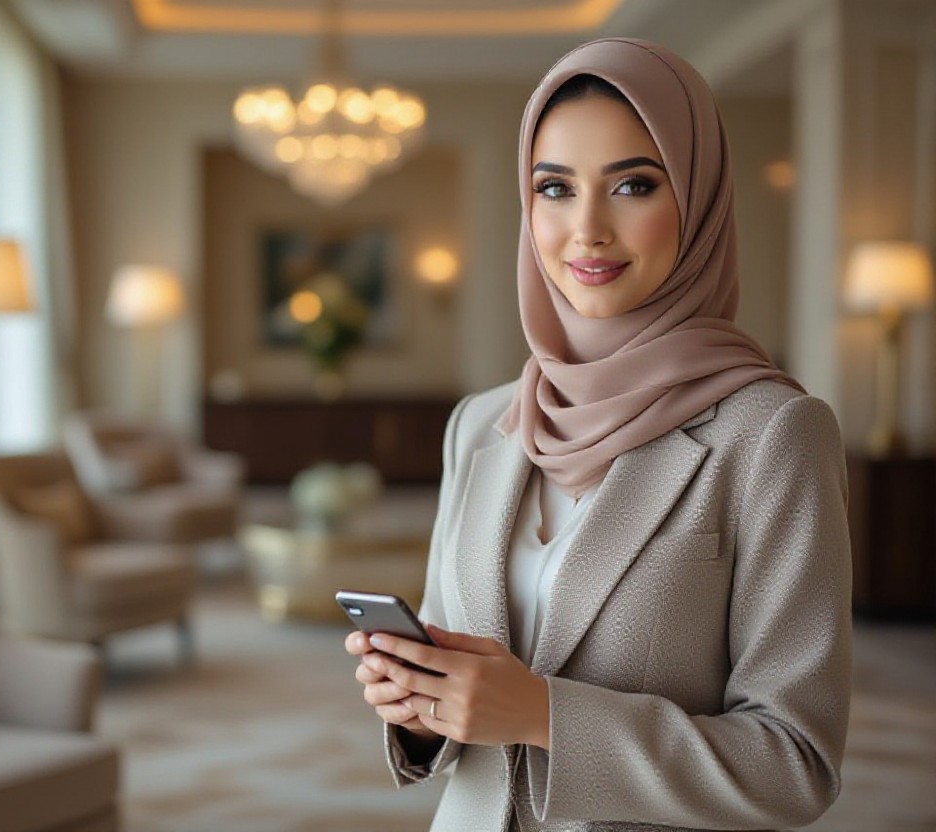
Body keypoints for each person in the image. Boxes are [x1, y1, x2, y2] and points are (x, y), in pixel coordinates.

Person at [344, 37, 852, 832]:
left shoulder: (773, 434)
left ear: (699, 199)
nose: (586, 230)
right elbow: (467, 703)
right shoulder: (481, 424)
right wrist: (418, 705)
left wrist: (545, 714)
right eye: (554, 188)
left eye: (634, 185)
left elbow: (797, 763)